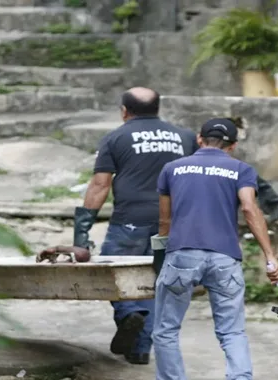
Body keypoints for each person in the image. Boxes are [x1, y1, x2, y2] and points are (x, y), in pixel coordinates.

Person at [74, 87, 199, 365]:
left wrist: (81, 230)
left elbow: (100, 184)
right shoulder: (186, 137)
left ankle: (129, 312)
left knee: (111, 274)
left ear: (124, 111)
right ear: (158, 108)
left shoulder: (115, 137)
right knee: (154, 284)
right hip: (173, 224)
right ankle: (141, 350)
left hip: (128, 222)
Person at [152, 118, 278, 380]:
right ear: (233, 145)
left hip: (182, 254)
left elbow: (164, 221)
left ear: (199, 139)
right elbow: (249, 209)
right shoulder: (241, 169)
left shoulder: (172, 168)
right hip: (225, 257)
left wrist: (162, 259)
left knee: (165, 330)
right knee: (232, 331)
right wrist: (270, 256)